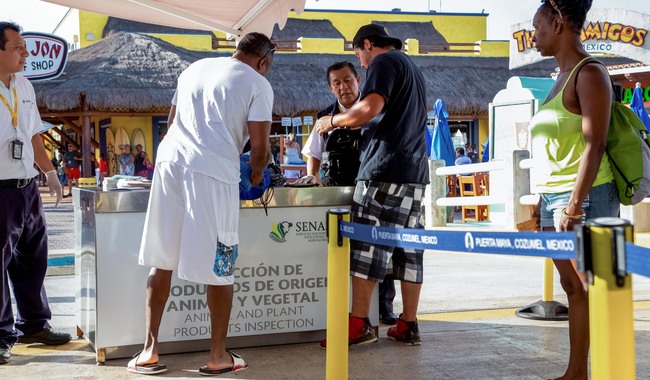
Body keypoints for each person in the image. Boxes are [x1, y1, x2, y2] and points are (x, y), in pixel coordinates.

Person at [127, 32, 274, 375]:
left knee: (161, 259)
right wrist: (255, 177)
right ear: (264, 61)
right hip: (213, 172)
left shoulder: (195, 68)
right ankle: (218, 356)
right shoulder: (258, 83)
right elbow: (261, 148)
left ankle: (149, 350)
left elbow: (171, 121)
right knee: (221, 263)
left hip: (170, 163)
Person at [315, 23, 429, 347]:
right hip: (415, 173)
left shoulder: (383, 62)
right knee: (409, 250)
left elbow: (369, 108)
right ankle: (408, 323)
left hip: (382, 171)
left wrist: (333, 120)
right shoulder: (413, 69)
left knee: (366, 249)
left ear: (367, 45)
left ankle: (359, 323)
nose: (361, 65)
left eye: (358, 57)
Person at [529, 1, 619, 379]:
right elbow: (556, 148)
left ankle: (613, 370)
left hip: (587, 197)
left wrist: (573, 205)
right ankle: (576, 372)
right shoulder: (558, 77)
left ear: (559, 23)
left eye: (538, 28)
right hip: (554, 199)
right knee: (572, 286)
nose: (534, 37)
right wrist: (542, 200)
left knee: (598, 289)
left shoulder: (589, 73)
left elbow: (594, 144)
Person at [299, 61, 398, 324]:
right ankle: (345, 306)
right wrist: (313, 177)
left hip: (373, 191)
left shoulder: (375, 111)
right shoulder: (325, 117)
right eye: (337, 83)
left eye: (347, 80)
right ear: (331, 89)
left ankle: (384, 305)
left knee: (379, 248)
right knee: (344, 251)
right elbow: (314, 154)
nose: (343, 87)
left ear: (358, 80)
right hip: (336, 194)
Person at [0, 21, 68, 366]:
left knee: (33, 258)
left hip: (27, 187)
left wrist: (51, 174)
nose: (25, 53)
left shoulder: (24, 85)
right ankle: (0, 336)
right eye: (17, 48)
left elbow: (34, 135)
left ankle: (35, 325)